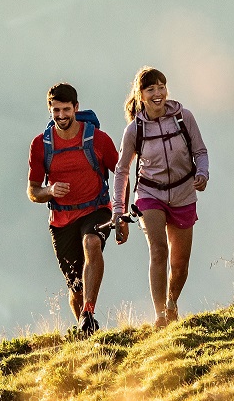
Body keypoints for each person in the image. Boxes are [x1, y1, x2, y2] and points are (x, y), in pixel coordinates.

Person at [112, 67, 209, 328]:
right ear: (140, 95)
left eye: (161, 87)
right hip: (149, 194)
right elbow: (122, 170)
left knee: (180, 264)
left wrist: (202, 173)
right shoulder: (135, 130)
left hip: (183, 192)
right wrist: (118, 212)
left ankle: (171, 303)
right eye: (150, 89)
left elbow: (200, 151)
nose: (157, 93)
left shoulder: (183, 118)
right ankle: (160, 316)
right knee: (158, 250)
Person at [28, 82, 125, 336]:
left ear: (76, 108)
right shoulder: (41, 145)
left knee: (92, 242)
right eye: (56, 111)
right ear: (50, 110)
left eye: (66, 110)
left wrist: (120, 214)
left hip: (97, 209)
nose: (61, 116)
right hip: (61, 220)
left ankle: (89, 311)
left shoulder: (98, 140)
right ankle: (85, 331)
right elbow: (33, 191)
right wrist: (49, 191)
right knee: (75, 288)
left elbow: (121, 174)